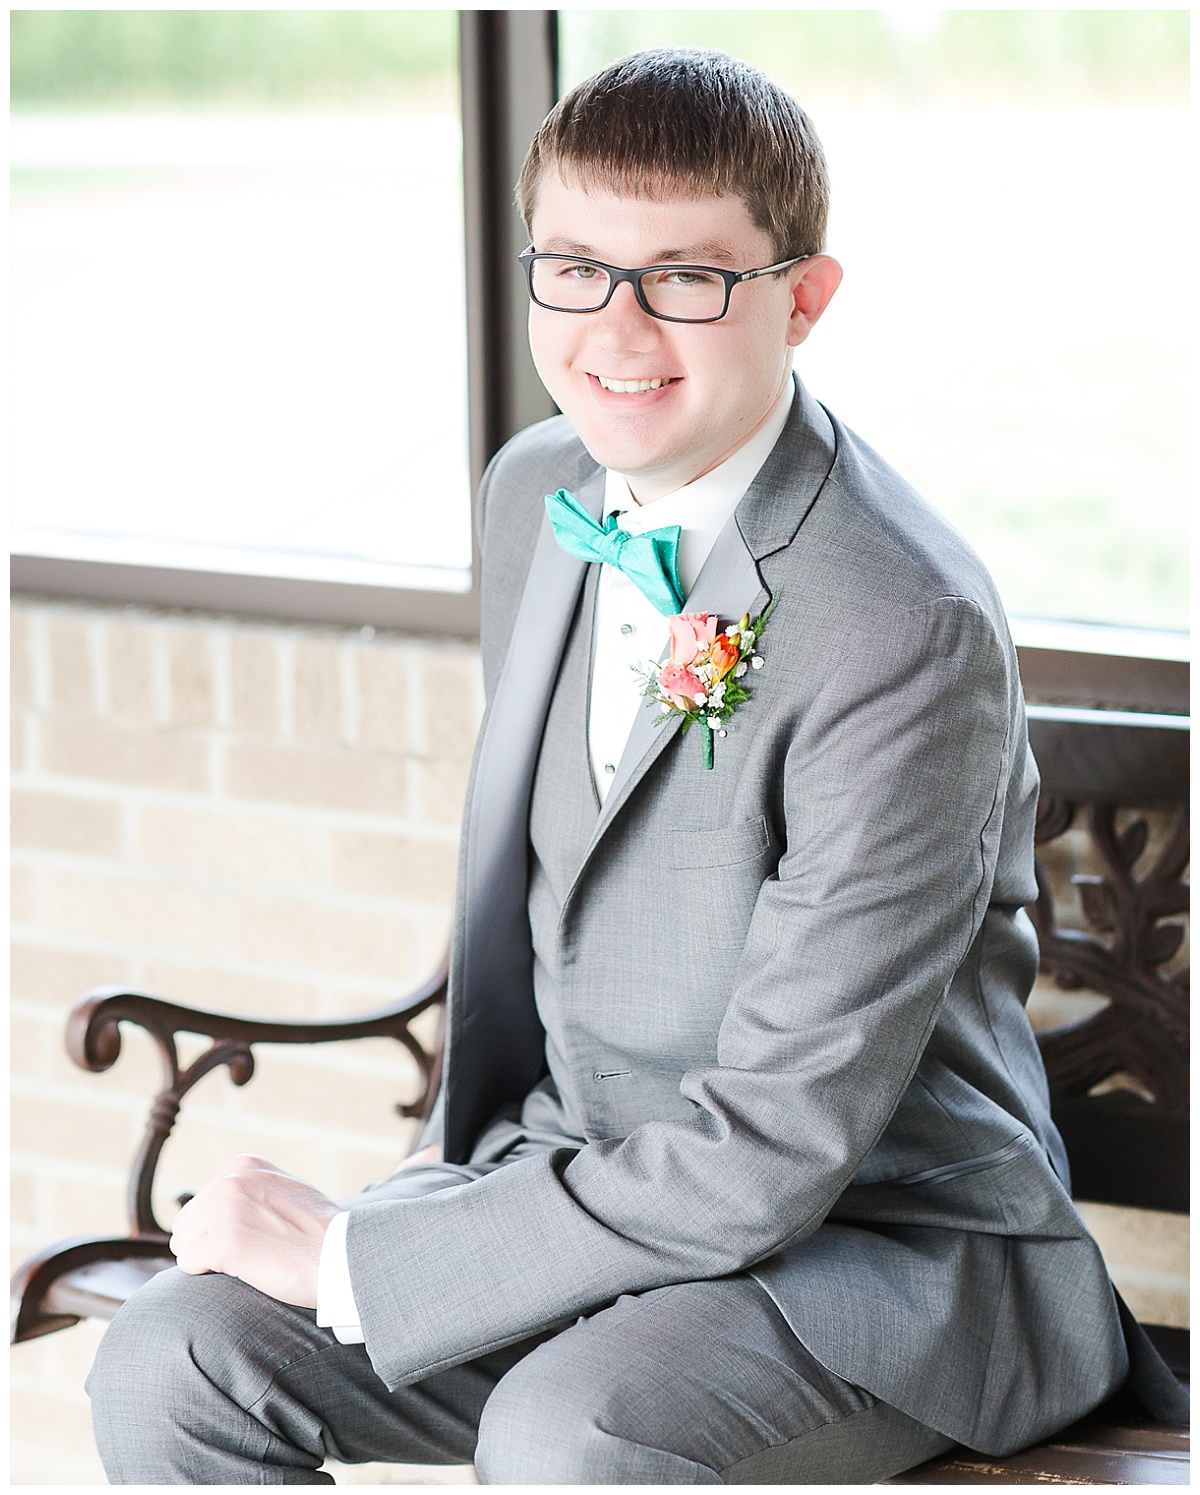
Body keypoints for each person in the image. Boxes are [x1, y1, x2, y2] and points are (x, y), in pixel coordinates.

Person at [86, 48, 1183, 1485]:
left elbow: (780, 1145)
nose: (618, 327)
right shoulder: (536, 491)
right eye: (576, 268)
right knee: (174, 1359)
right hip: (570, 1185)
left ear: (805, 297)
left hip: (874, 1259)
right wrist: (436, 1216)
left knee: (575, 1434)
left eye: (688, 276)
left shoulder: (902, 623)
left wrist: (358, 1253)